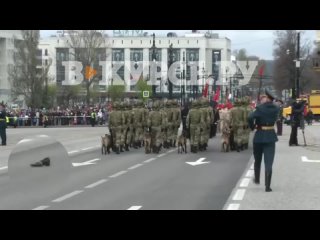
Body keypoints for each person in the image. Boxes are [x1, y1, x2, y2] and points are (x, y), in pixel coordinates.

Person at [248, 90, 280, 192]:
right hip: (270, 135)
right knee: (269, 162)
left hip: (259, 135)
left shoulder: (260, 108)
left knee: (257, 159)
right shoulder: (276, 108)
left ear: (267, 98)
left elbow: (250, 117)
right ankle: (267, 186)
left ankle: (257, 178)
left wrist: (252, 127)